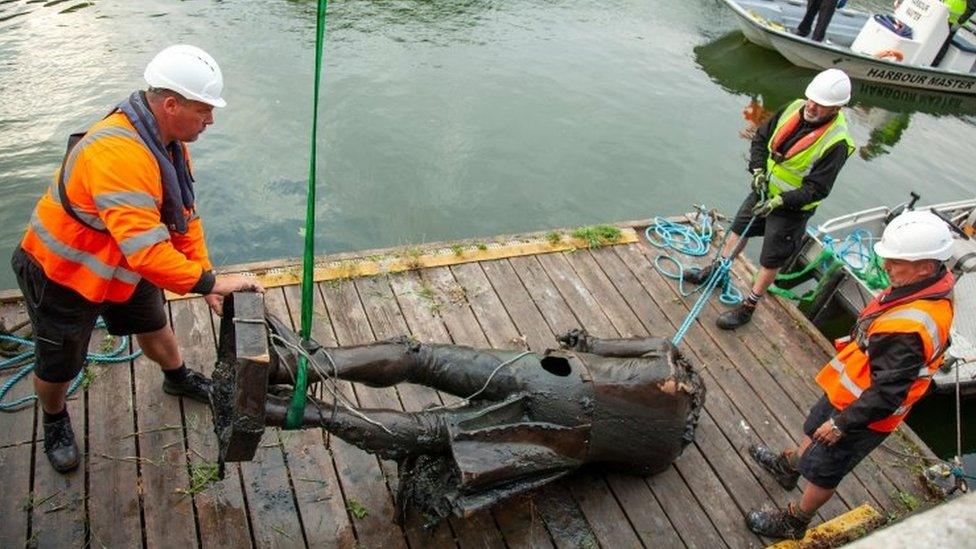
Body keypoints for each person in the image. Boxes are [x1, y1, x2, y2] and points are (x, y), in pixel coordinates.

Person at [11, 44, 262, 474]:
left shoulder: (167, 145)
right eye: (204, 111)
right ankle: (54, 419)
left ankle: (177, 377)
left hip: (124, 267)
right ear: (170, 104)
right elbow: (147, 252)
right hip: (64, 273)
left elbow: (185, 218)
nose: (210, 121)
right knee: (60, 363)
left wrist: (204, 274)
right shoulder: (118, 155)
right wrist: (209, 285)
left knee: (153, 323)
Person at [213, 307, 704, 523]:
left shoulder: (668, 359)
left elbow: (601, 344)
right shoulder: (660, 457)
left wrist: (588, 343)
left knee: (420, 357)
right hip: (570, 435)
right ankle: (288, 413)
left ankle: (291, 365)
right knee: (434, 431)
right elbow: (612, 468)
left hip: (557, 376)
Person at [743, 210, 956, 540]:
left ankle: (796, 519)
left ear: (924, 266)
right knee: (814, 426)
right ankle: (790, 467)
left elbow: (887, 394)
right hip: (848, 390)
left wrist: (843, 424)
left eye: (895, 261)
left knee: (825, 469)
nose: (886, 266)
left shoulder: (910, 328)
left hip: (861, 414)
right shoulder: (924, 287)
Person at [685, 68, 855, 330]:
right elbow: (761, 139)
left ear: (837, 107)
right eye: (811, 99)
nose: (812, 106)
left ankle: (749, 305)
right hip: (763, 189)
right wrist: (756, 170)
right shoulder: (792, 108)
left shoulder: (837, 143)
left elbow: (817, 189)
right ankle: (719, 271)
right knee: (738, 230)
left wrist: (780, 202)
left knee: (771, 258)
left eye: (820, 105)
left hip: (792, 209)